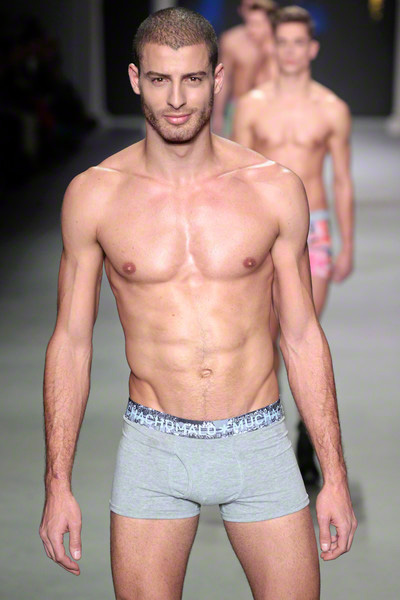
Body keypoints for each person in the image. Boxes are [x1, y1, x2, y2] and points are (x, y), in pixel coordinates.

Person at [39, 7, 356, 599]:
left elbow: (302, 335)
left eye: (192, 79)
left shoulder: (273, 188)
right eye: (160, 79)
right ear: (136, 79)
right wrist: (57, 485)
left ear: (217, 78)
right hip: (153, 448)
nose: (177, 99)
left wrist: (334, 475)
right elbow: (71, 343)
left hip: (260, 441)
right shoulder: (94, 196)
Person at [233, 5, 354, 486]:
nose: (289, 52)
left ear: (312, 48)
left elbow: (341, 180)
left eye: (298, 43)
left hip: (314, 229)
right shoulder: (251, 106)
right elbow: (235, 177)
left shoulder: (332, 108)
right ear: (274, 46)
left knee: (302, 335)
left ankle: (307, 433)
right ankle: (270, 438)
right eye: (282, 42)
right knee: (263, 341)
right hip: (261, 230)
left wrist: (347, 243)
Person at [213, 0, 278, 137]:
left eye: (257, 24)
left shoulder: (280, 46)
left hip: (270, 110)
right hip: (238, 107)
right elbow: (224, 79)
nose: (251, 29)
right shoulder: (232, 41)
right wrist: (218, 114)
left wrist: (269, 54)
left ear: (269, 23)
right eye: (250, 23)